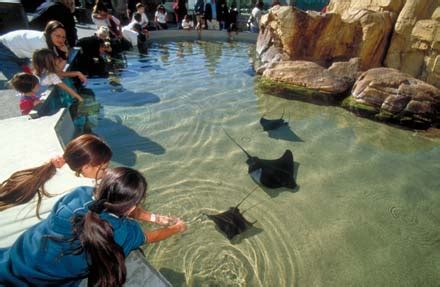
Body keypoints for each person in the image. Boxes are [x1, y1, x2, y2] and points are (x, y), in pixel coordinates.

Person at [0, 167, 187, 286]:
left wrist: (154, 217)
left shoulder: (79, 196)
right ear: (131, 206)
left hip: (18, 255)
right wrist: (176, 228)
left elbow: (117, 203)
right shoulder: (124, 233)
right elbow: (150, 237)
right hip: (42, 281)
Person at [0, 134, 112, 247]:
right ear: (86, 167)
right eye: (103, 169)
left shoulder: (49, 169)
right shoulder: (83, 189)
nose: (107, 171)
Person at [0, 21, 70, 80]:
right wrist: (65, 55)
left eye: (63, 37)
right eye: (57, 36)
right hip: (4, 49)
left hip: (16, 48)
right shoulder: (41, 46)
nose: (61, 40)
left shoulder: (48, 39)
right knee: (22, 82)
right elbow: (55, 71)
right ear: (49, 33)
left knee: (30, 80)